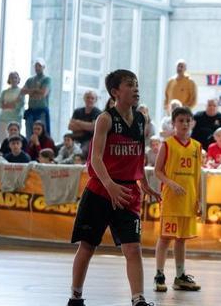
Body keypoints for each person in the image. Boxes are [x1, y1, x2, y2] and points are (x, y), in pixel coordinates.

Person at [68, 69, 158, 306]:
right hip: (100, 190)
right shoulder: (105, 119)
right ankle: (75, 297)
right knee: (87, 246)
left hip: (128, 192)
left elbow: (138, 155)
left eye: (137, 83)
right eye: (130, 84)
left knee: (133, 248)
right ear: (115, 92)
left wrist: (144, 182)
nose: (136, 88)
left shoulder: (141, 119)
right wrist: (109, 185)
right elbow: (95, 158)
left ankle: (138, 299)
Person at [153, 106, 203, 293]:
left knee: (182, 239)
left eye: (187, 120)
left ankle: (180, 276)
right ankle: (159, 275)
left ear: (192, 123)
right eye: (180, 120)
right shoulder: (167, 144)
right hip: (171, 199)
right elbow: (158, 171)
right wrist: (170, 183)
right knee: (165, 238)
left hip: (189, 200)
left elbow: (198, 175)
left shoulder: (197, 147)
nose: (184, 124)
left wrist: (199, 199)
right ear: (173, 123)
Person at [22, 58, 52, 136]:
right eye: (36, 66)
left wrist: (31, 91)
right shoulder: (30, 80)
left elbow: (44, 93)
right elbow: (22, 91)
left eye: (39, 66)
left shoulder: (47, 79)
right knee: (29, 134)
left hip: (41, 111)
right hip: (31, 110)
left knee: (42, 135)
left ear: (43, 67)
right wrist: (36, 90)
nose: (37, 68)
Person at [68, 90, 102, 155]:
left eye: (92, 98)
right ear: (84, 98)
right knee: (60, 148)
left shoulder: (98, 113)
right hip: (76, 138)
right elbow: (70, 126)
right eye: (88, 97)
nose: (90, 100)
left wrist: (78, 122)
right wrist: (87, 126)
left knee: (82, 152)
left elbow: (93, 127)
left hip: (89, 139)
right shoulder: (77, 111)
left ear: (96, 100)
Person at [0, 71, 24, 147]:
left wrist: (5, 104)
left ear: (18, 79)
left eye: (15, 77)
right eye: (11, 78)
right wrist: (12, 103)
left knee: (14, 141)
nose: (14, 79)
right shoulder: (4, 92)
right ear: (9, 80)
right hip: (3, 119)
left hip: (15, 119)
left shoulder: (21, 92)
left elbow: (19, 105)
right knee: (3, 141)